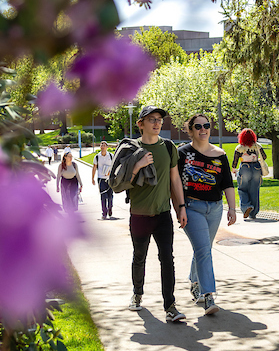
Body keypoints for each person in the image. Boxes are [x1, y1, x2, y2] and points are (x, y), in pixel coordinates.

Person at [109, 106, 188, 323]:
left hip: (162, 214)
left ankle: (170, 306)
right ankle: (137, 292)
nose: (156, 123)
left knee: (167, 259)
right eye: (151, 119)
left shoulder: (169, 148)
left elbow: (174, 180)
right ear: (140, 124)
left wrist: (181, 207)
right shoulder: (130, 150)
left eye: (159, 120)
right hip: (139, 215)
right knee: (139, 257)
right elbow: (118, 184)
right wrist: (137, 165)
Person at [177, 113, 238, 315]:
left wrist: (231, 208)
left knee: (203, 248)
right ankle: (208, 295)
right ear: (190, 130)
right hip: (192, 207)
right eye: (198, 126)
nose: (203, 129)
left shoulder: (220, 155)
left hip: (215, 208)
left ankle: (194, 281)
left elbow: (227, 184)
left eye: (206, 125)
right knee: (204, 250)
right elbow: (175, 184)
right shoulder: (183, 154)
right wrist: (180, 207)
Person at [232, 129, 267, 219]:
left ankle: (247, 206)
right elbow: (264, 156)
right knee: (254, 190)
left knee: (242, 189)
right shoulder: (257, 146)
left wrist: (233, 169)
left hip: (245, 168)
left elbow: (235, 160)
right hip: (256, 168)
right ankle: (253, 213)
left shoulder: (240, 147)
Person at [92, 140, 115, 219]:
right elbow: (94, 167)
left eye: (104, 145)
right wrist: (92, 178)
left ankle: (110, 208)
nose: (103, 146)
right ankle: (104, 212)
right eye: (101, 144)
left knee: (110, 195)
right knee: (103, 196)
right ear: (100, 147)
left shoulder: (111, 156)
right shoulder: (97, 157)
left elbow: (114, 167)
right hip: (101, 179)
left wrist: (111, 174)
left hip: (110, 179)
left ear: (107, 147)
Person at [55, 149, 82, 213]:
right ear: (65, 157)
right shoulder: (61, 165)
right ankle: (68, 210)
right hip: (65, 182)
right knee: (66, 196)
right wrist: (57, 186)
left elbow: (77, 174)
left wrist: (81, 184)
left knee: (74, 196)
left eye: (71, 156)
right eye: (69, 156)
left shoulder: (74, 165)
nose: (71, 158)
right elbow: (58, 176)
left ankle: (73, 210)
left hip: (73, 181)